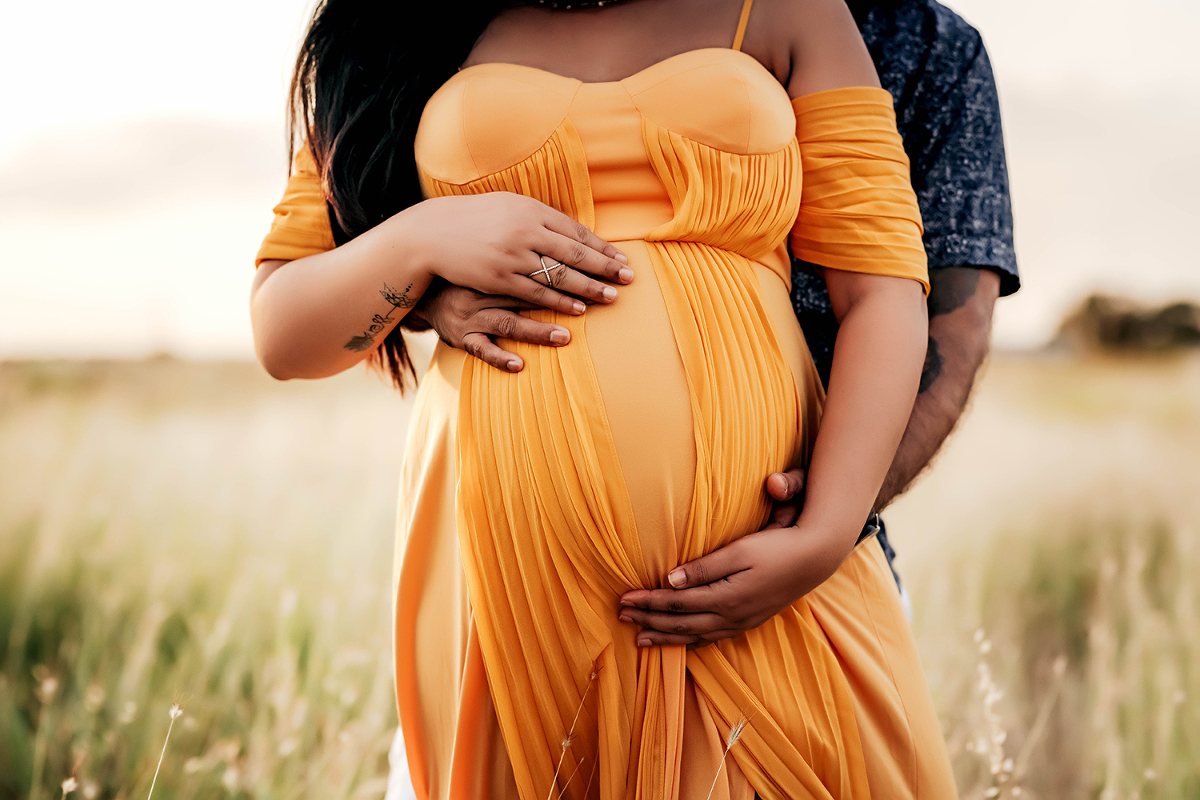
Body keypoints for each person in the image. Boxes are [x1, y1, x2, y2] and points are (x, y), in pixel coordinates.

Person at [250, 1, 992, 797]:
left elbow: (884, 290)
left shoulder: (795, 10)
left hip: (760, 581)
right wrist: (422, 241)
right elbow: (283, 333)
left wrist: (825, 533)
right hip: (505, 584)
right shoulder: (404, 29)